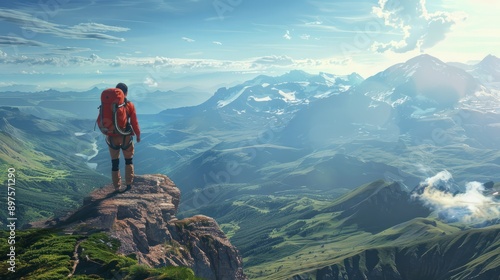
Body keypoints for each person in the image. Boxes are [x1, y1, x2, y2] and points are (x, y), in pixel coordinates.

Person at [107, 82, 141, 192]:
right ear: (125, 93)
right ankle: (129, 183)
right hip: (125, 136)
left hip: (112, 137)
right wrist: (138, 135)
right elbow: (134, 122)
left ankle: (117, 187)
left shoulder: (108, 104)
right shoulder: (129, 105)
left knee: (115, 162)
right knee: (128, 160)